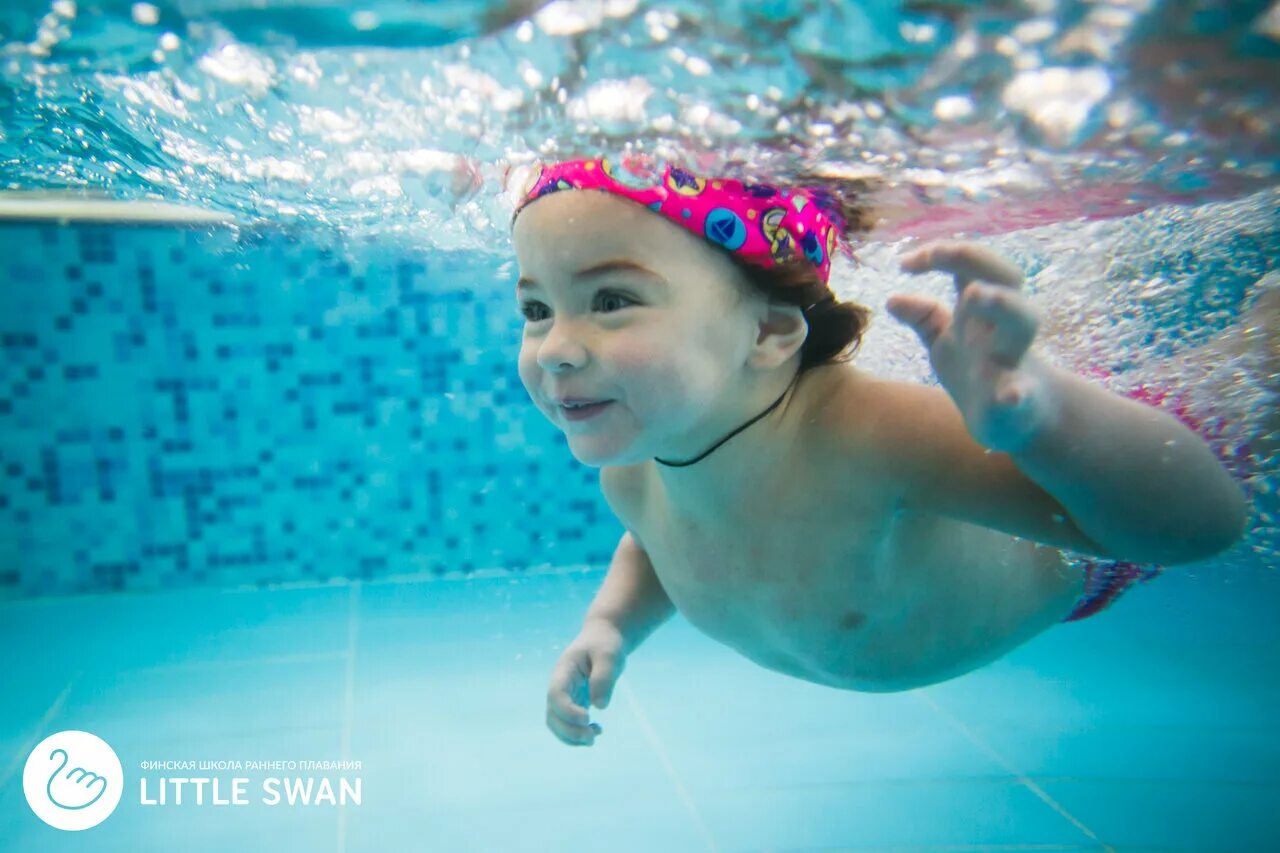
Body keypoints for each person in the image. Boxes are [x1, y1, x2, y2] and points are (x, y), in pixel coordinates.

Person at [509, 156, 1250, 747]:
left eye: (611, 300)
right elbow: (657, 542)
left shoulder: (872, 432)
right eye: (536, 309)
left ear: (769, 332)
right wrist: (609, 624)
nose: (558, 349)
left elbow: (1202, 524)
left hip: (1099, 504)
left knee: (1242, 389)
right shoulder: (634, 469)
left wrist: (1044, 424)